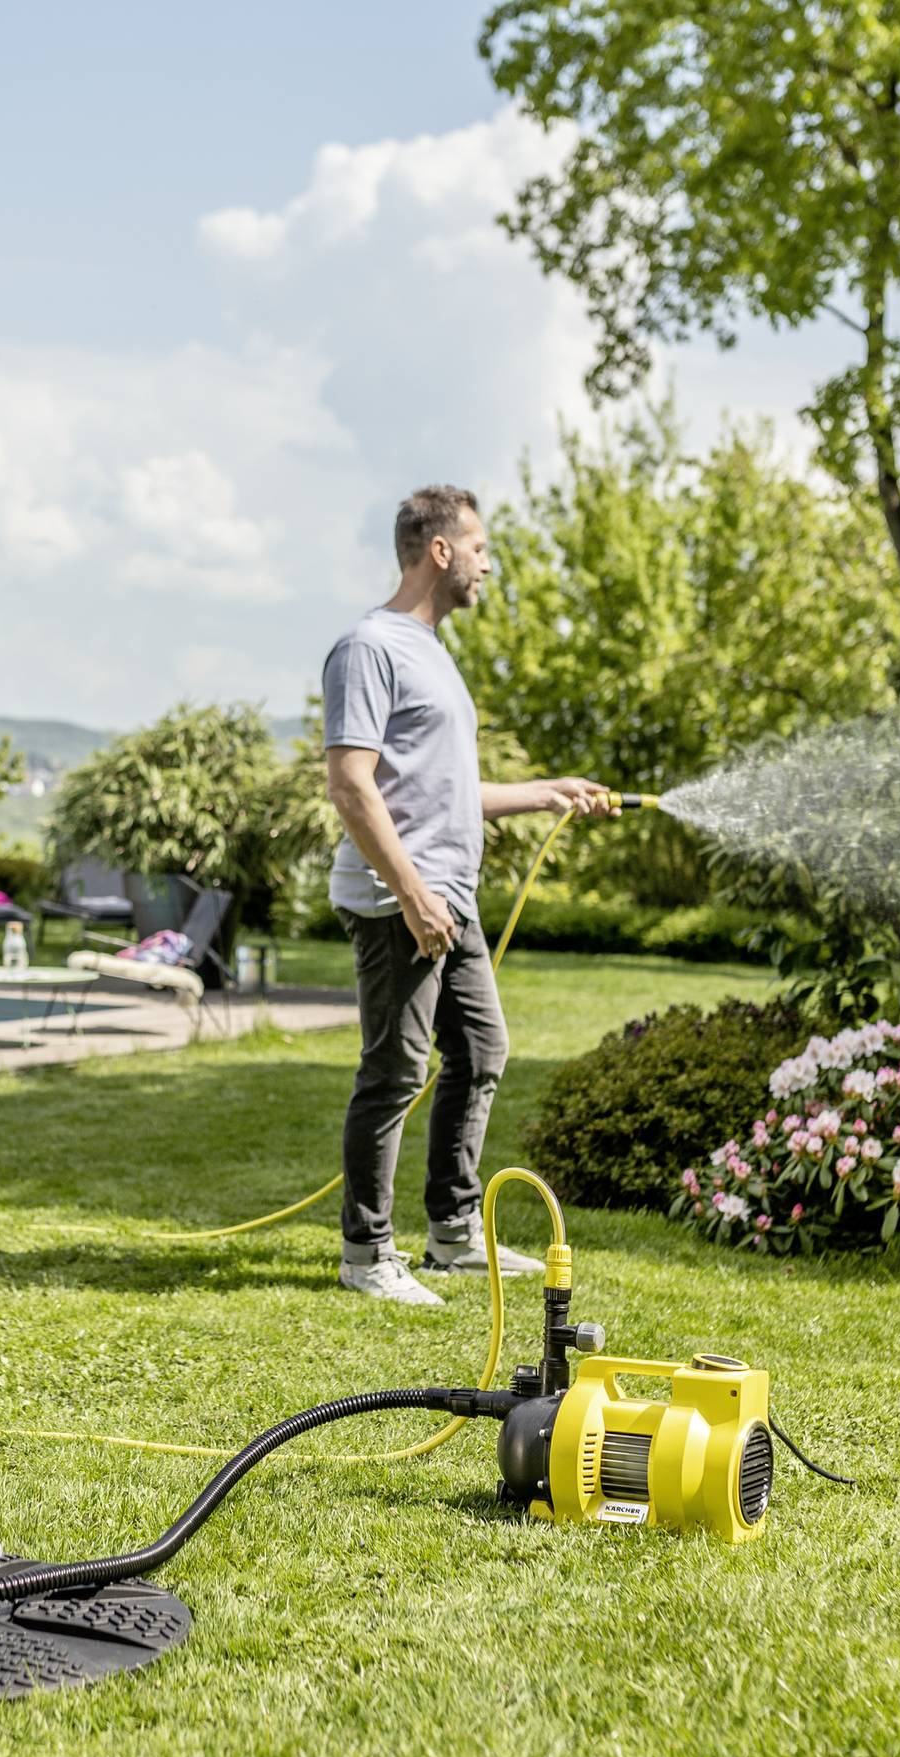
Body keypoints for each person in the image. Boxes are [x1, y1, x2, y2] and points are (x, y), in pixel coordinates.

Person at [321, 484, 613, 1306]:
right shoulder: (368, 647)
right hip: (398, 901)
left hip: (448, 899)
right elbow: (351, 785)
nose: (488, 561)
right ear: (439, 550)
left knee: (481, 1052)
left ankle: (452, 1233)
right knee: (394, 1073)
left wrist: (545, 790)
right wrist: (412, 893)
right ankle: (366, 1253)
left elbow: (447, 790)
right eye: (479, 546)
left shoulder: (433, 653)